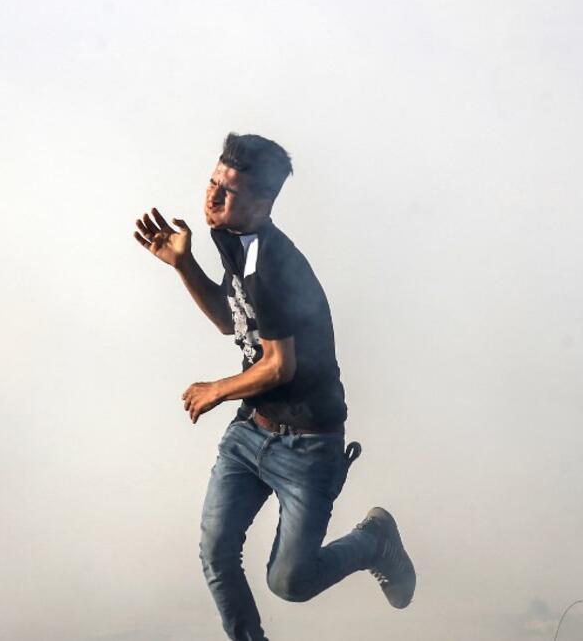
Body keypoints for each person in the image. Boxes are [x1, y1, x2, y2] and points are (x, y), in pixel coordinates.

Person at [132, 133, 416, 641]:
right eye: (213, 182)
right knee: (216, 552)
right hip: (251, 433)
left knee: (290, 582)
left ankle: (374, 541)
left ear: (264, 203)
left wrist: (217, 388)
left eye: (231, 192)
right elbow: (232, 320)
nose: (213, 198)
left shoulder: (273, 264)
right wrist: (183, 264)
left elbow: (280, 365)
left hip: (309, 444)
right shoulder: (233, 237)